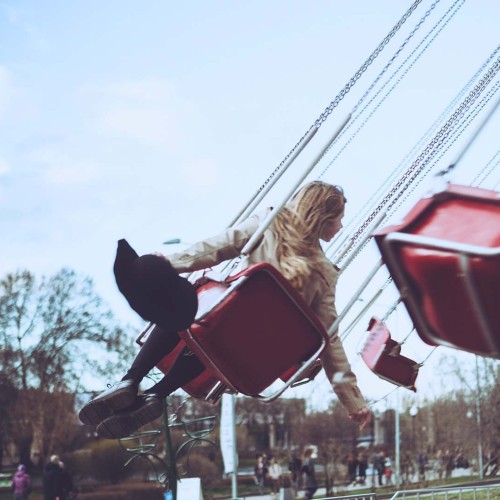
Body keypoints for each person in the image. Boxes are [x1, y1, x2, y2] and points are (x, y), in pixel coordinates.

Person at [79, 181, 371, 438]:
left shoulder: (270, 222)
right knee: (224, 338)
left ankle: (130, 380)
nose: (341, 227)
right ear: (322, 218)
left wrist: (171, 263)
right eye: (338, 219)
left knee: (191, 310)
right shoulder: (324, 274)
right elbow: (329, 340)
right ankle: (157, 394)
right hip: (250, 353)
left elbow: (218, 248)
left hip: (220, 318)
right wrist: (353, 402)